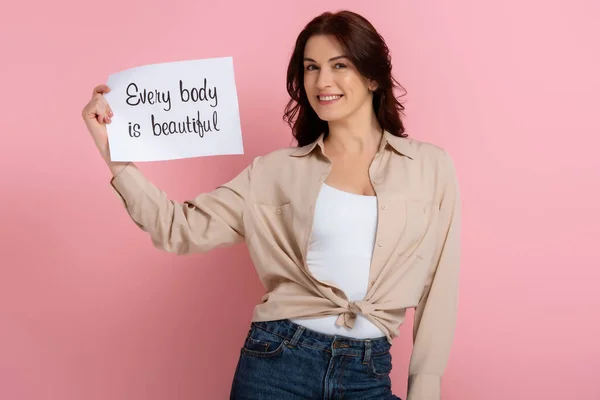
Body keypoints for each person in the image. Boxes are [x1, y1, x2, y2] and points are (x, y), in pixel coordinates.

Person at [81, 10, 460, 400]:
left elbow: (439, 288)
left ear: (373, 75)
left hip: (368, 371)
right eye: (311, 67)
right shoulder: (274, 171)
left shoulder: (429, 167)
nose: (322, 81)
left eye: (339, 65)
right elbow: (179, 229)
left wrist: (424, 389)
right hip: (277, 362)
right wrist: (114, 154)